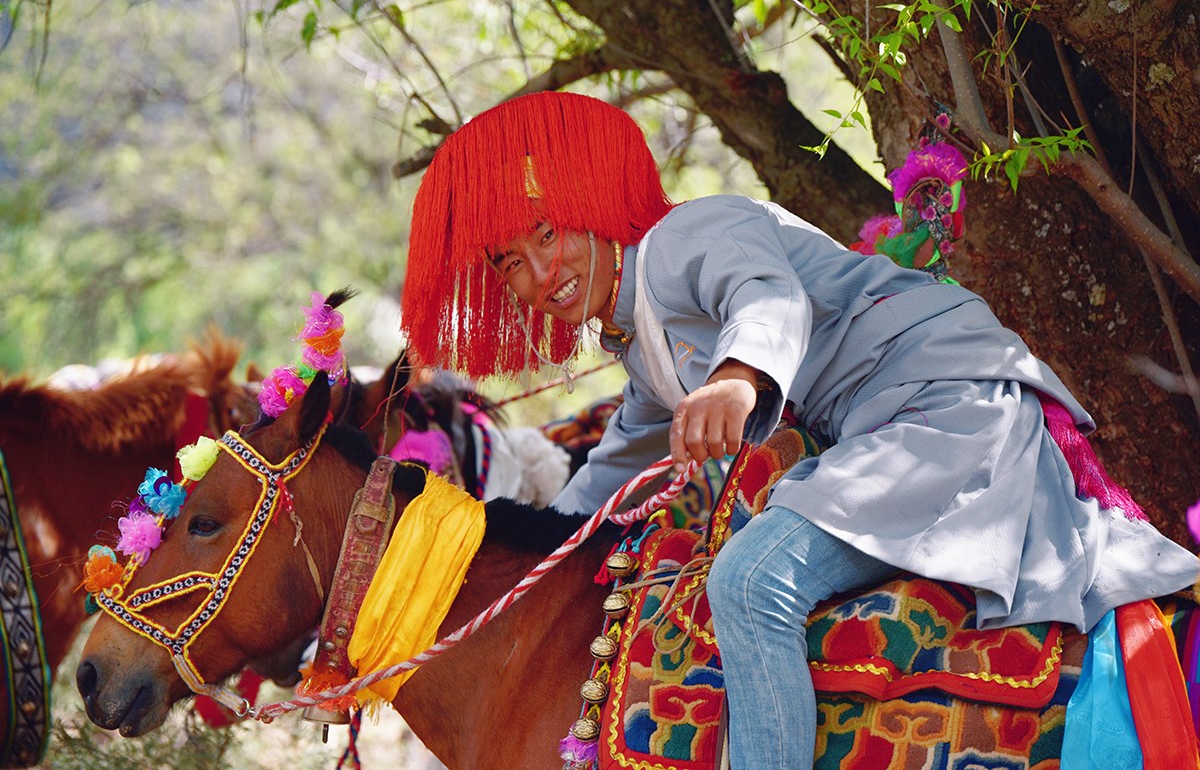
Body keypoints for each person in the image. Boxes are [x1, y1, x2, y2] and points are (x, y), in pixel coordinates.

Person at [399, 91, 1199, 769]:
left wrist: (737, 380)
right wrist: (503, 556)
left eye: (548, 233)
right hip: (892, 430)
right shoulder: (641, 349)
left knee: (750, 582)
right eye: (510, 262)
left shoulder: (688, 234)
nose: (542, 274)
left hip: (942, 402)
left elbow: (764, 298)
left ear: (590, 208)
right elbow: (607, 476)